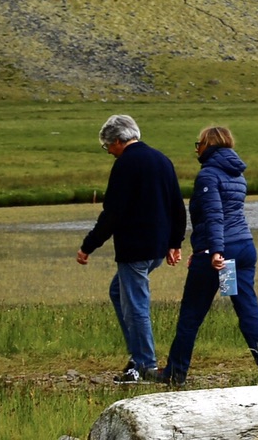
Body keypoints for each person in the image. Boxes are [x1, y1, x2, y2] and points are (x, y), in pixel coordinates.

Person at [160, 125, 258, 384]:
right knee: (248, 308)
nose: (196, 148)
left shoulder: (209, 175)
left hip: (220, 253)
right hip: (244, 247)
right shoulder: (237, 174)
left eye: (198, 143)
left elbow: (215, 216)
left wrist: (214, 251)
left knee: (191, 315)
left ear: (209, 145)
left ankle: (175, 374)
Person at [77, 113, 184, 384]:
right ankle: (137, 355)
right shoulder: (162, 159)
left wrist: (89, 245)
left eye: (107, 147)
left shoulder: (126, 164)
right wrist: (175, 242)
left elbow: (113, 212)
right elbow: (177, 205)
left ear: (117, 140)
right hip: (157, 248)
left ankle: (145, 364)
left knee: (136, 305)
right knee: (118, 292)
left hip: (135, 248)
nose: (109, 152)